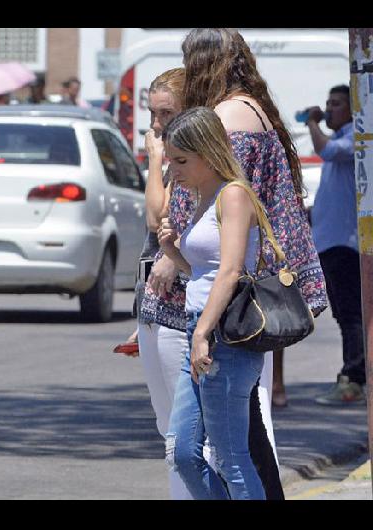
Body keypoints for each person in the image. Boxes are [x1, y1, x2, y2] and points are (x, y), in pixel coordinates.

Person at [142, 28, 329, 500]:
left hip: (225, 308)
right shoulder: (255, 110)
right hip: (235, 298)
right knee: (222, 438)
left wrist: (172, 255)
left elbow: (202, 209)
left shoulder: (227, 124)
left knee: (232, 442)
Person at [159, 106, 266, 500]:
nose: (174, 170)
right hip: (199, 331)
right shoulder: (205, 197)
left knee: (230, 457)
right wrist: (172, 252)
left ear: (207, 152)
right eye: (170, 160)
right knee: (184, 453)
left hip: (224, 336)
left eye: (182, 160)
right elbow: (207, 270)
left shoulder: (233, 194)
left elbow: (232, 269)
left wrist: (202, 333)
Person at [127, 68, 211, 499]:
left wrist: (156, 160)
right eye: (152, 113)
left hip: (183, 310)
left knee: (187, 433)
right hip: (153, 305)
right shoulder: (171, 157)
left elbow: (155, 215)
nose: (157, 124)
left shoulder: (187, 162)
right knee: (168, 428)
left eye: (167, 113)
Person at [304, 85, 366, 405]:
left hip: (345, 243)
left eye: (336, 104)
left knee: (352, 313)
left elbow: (325, 150)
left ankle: (354, 377)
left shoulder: (354, 137)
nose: (328, 109)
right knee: (343, 314)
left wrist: (313, 122)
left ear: (353, 109)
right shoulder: (342, 138)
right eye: (327, 103)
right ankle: (352, 373)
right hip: (330, 242)